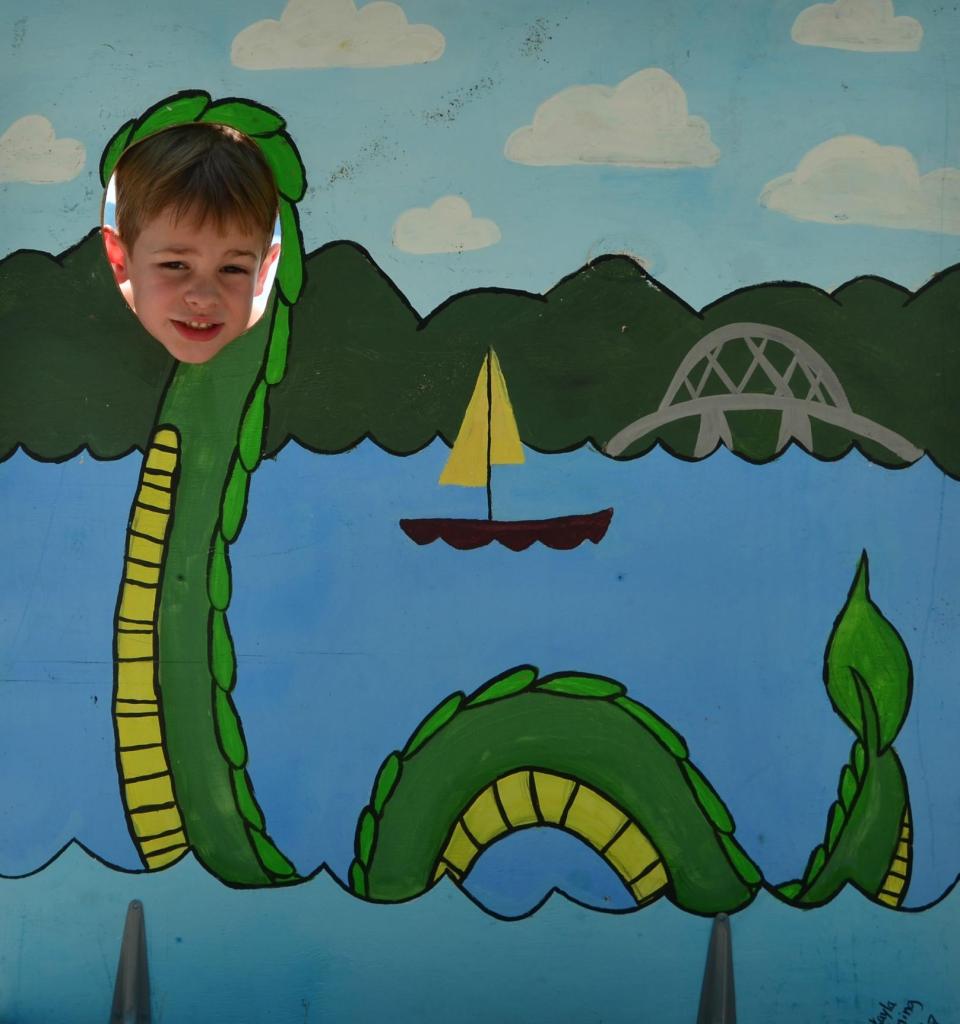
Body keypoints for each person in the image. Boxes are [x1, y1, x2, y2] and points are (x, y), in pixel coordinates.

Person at [101, 122, 281, 364]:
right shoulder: (91, 330)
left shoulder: (272, 345)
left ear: (263, 272)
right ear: (119, 259)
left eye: (233, 269)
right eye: (175, 265)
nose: (204, 298)